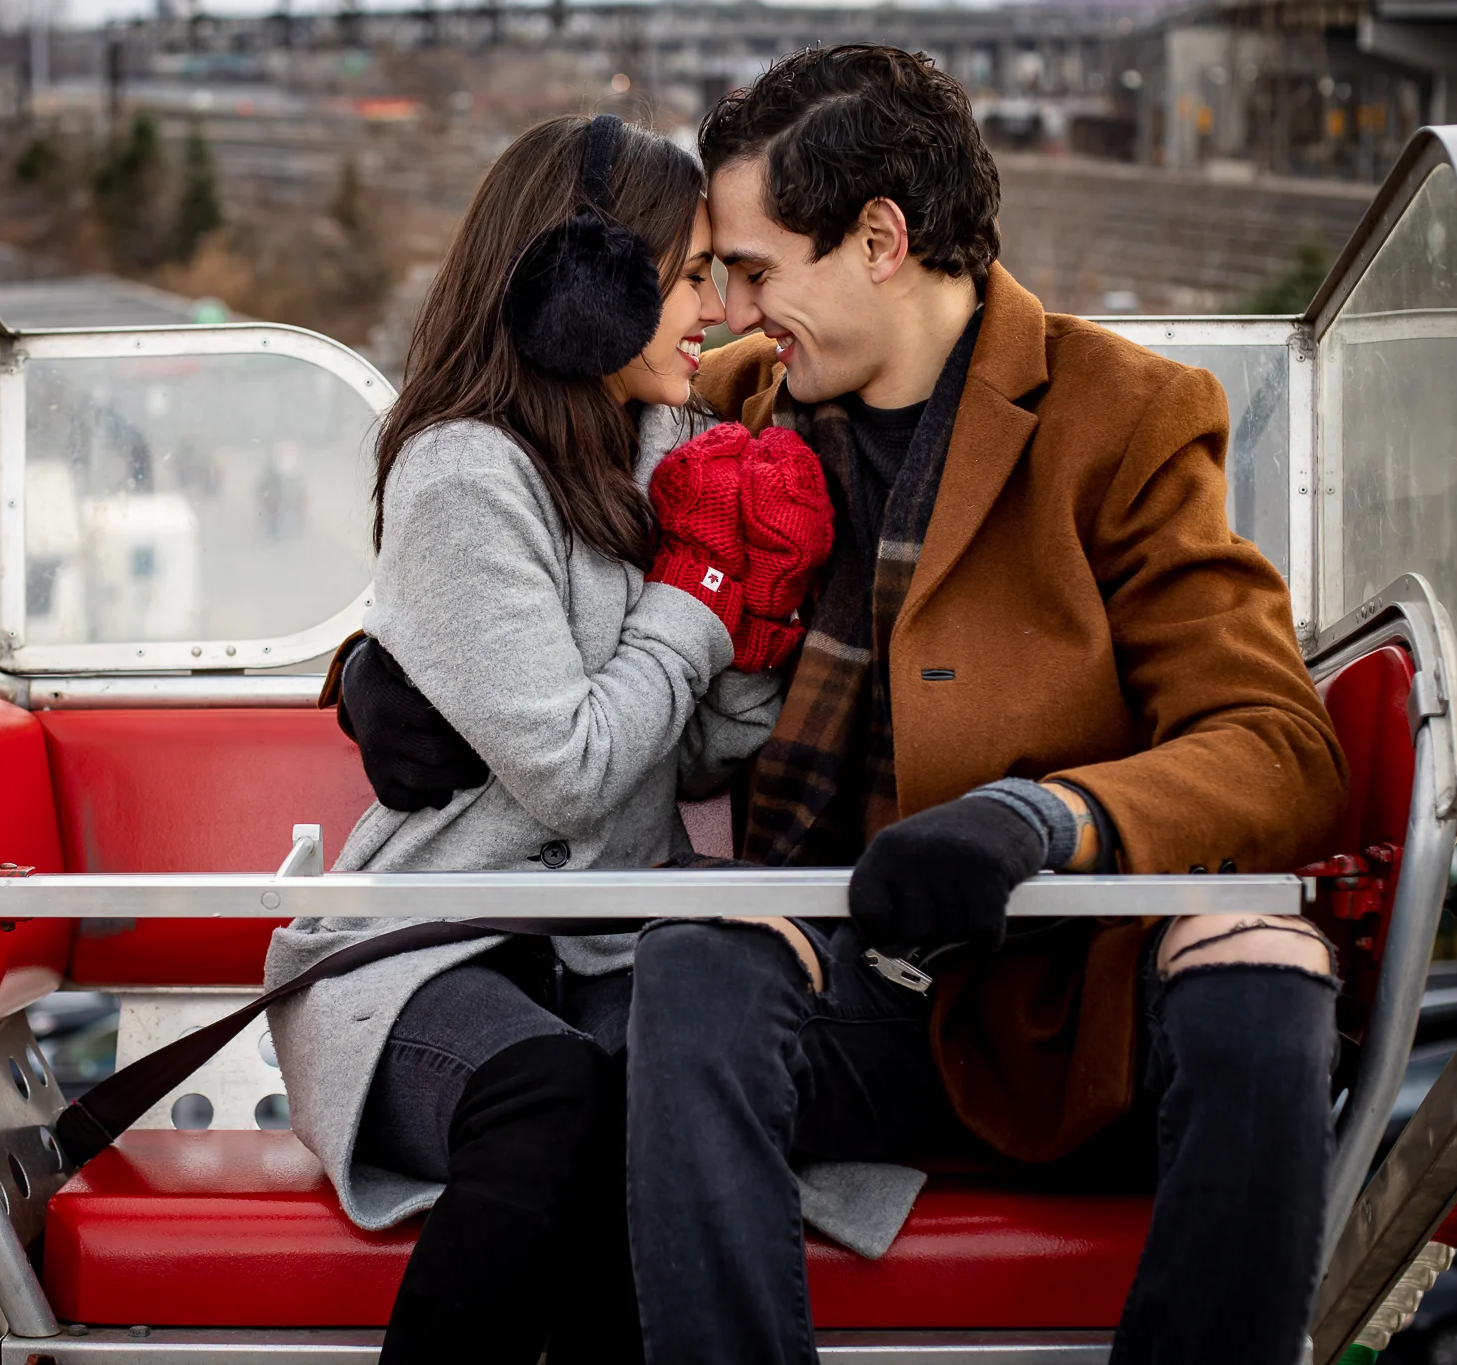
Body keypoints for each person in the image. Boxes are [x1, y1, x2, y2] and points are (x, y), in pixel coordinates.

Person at [338, 47, 1351, 1365]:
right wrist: (375, 671)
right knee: (694, 963)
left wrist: (1042, 820)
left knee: (1262, 977)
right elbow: (512, 515)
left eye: (755, 269)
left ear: (879, 240)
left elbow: (1277, 744)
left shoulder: (1126, 419)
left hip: (1050, 990)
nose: (731, 308)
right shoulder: (735, 408)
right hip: (840, 972)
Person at [263, 112, 834, 1365]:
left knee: (653, 1116)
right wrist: (695, 597)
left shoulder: (660, 448)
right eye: (688, 278)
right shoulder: (464, 472)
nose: (713, 314)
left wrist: (758, 631)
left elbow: (674, 760)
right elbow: (573, 772)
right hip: (430, 944)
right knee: (549, 1094)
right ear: (586, 279)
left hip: (607, 946)